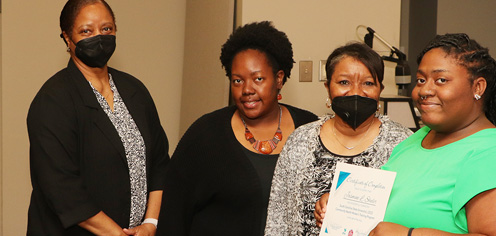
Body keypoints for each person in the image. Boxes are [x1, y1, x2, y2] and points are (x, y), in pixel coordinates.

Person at [368, 33, 496, 235]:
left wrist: (409, 234)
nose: (424, 90)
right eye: (421, 80)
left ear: (478, 87)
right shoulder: (417, 140)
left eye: (441, 80)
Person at [156, 21, 318, 235]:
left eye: (258, 79)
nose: (247, 89)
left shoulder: (309, 129)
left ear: (279, 79)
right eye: (237, 81)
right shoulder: (205, 135)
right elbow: (173, 215)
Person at [26, 1, 169, 235]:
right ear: (67, 37)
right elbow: (62, 190)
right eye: (86, 31)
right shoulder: (52, 101)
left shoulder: (135, 90)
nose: (99, 37)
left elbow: (160, 164)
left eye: (106, 29)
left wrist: (151, 223)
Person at [265, 43, 413, 236]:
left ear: (380, 89)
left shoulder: (402, 143)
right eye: (344, 82)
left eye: (368, 83)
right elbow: (278, 219)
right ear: (328, 87)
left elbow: (410, 213)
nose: (356, 92)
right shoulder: (300, 140)